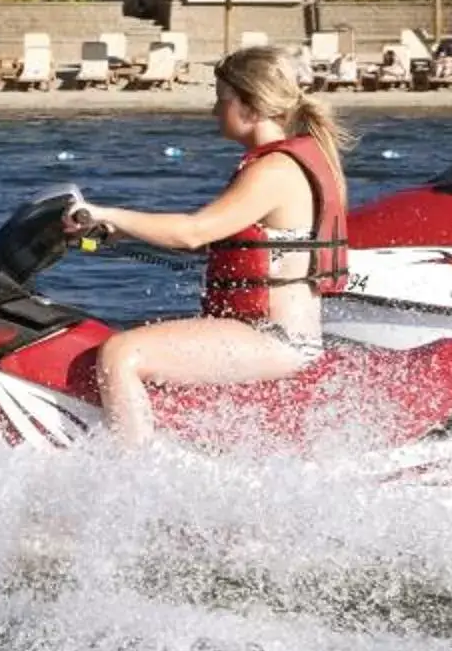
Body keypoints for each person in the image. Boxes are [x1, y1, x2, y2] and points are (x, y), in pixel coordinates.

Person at [66, 44, 351, 444]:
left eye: (222, 101)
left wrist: (105, 213)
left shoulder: (275, 169)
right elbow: (216, 238)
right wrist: (122, 232)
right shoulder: (280, 162)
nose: (214, 111)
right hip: (265, 333)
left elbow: (193, 232)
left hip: (275, 340)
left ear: (250, 107)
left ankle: (128, 481)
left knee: (121, 354)